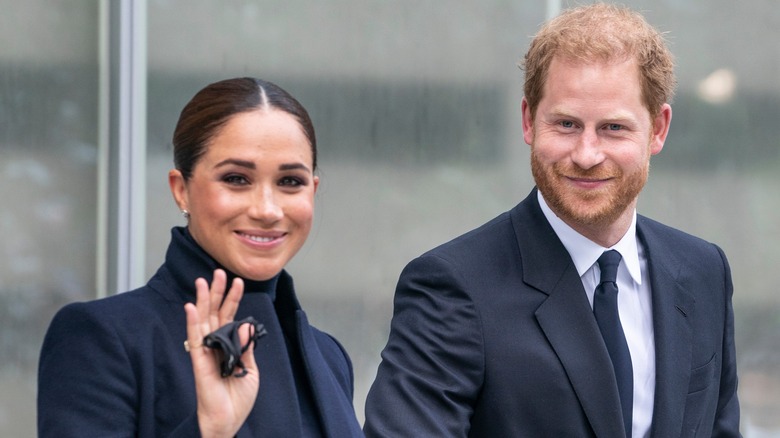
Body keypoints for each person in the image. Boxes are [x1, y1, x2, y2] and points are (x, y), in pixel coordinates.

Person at [364, 4, 740, 437]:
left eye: (614, 128)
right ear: (528, 120)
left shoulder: (702, 270)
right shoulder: (452, 287)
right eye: (565, 124)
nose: (586, 154)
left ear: (658, 130)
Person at [38, 77, 364, 437]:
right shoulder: (102, 339)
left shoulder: (328, 356)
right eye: (237, 179)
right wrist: (209, 430)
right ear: (181, 190)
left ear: (313, 191)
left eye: (290, 182)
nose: (268, 209)